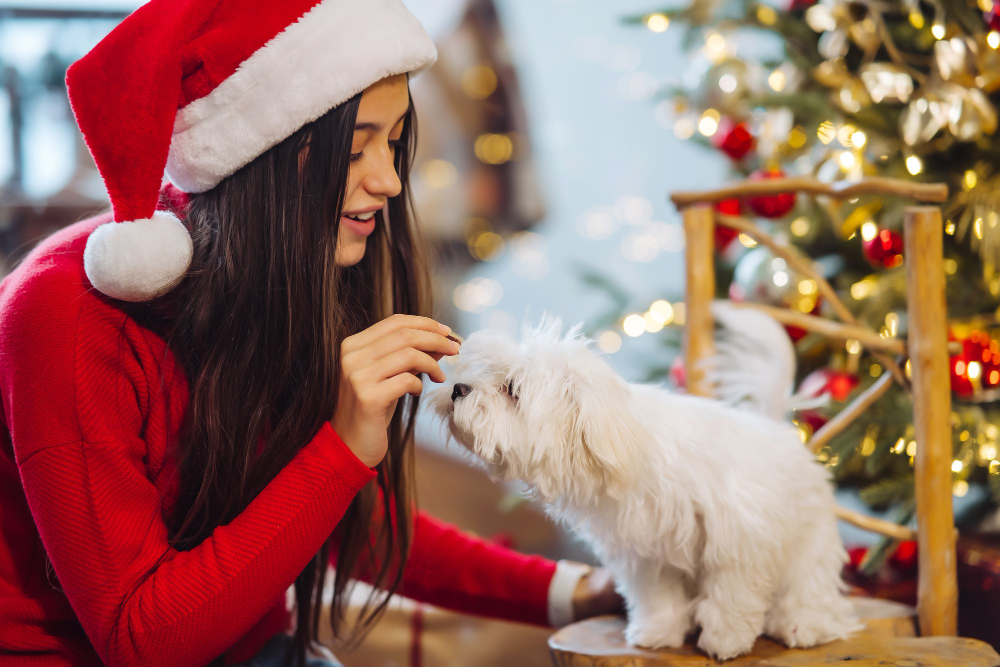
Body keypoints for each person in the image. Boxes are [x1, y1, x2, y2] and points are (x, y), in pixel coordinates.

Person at [0, 1, 624, 666]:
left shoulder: (283, 280)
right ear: (260, 153)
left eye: (394, 142)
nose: (387, 180)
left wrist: (573, 590)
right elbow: (142, 639)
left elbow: (324, 519)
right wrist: (341, 445)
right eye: (356, 148)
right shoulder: (66, 313)